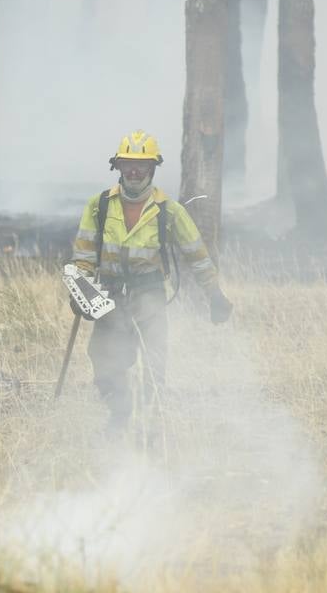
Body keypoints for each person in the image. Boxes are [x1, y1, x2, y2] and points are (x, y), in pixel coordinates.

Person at [70, 131, 233, 428]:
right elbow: (84, 255)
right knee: (104, 360)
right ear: (118, 166)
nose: (134, 171)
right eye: (128, 164)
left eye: (141, 165)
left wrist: (214, 294)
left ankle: (149, 425)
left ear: (152, 168)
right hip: (108, 298)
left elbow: (197, 255)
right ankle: (120, 416)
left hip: (150, 296)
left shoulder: (169, 211)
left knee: (153, 362)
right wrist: (79, 291)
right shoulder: (99, 205)